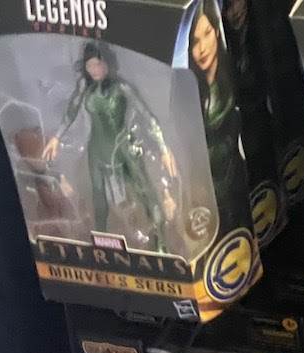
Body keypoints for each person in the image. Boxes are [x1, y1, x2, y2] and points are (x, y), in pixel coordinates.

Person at [42, 41, 177, 250]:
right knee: (99, 198)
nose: (94, 70)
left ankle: (161, 240)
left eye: (98, 64)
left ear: (107, 63)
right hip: (96, 148)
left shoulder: (121, 87)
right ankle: (102, 243)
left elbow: (147, 116)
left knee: (144, 190)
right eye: (90, 66)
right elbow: (72, 110)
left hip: (123, 147)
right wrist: (56, 137)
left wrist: (163, 148)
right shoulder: (85, 86)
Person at [188, 0, 247, 232]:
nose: (202, 48)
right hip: (205, 186)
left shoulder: (232, 83)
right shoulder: (192, 91)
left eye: (207, 34)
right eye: (195, 41)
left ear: (217, 33)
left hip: (233, 181)